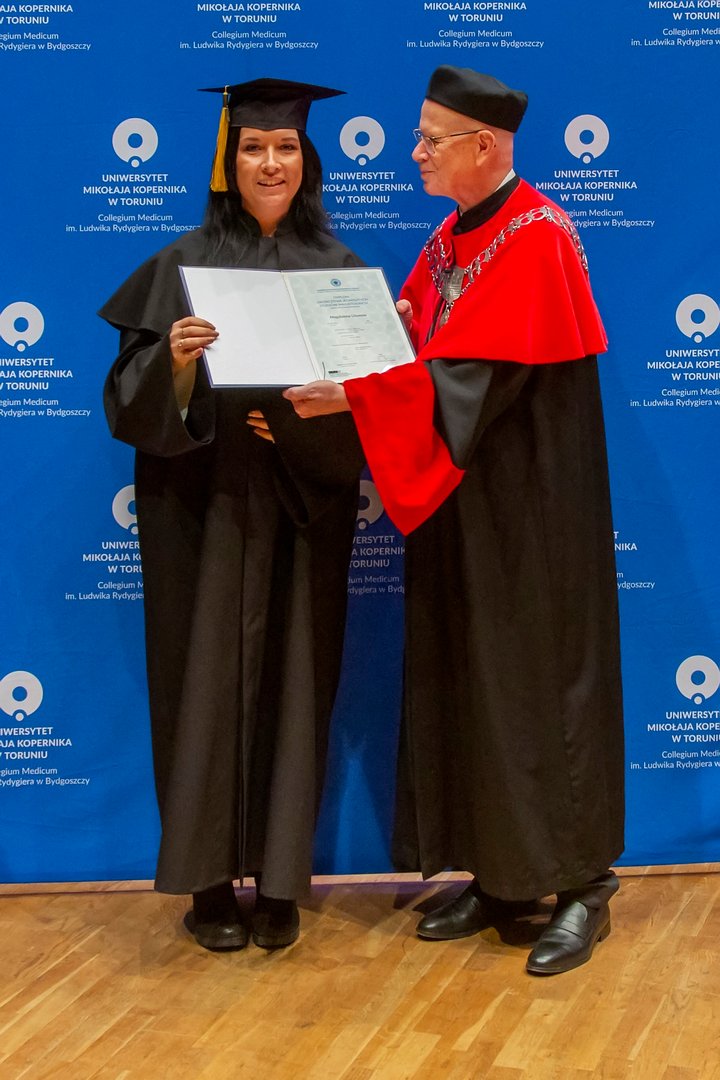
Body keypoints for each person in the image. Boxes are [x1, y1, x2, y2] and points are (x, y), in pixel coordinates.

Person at [284, 66, 625, 976]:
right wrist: (375, 346)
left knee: (540, 686)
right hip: (463, 506)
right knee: (475, 682)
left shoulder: (537, 237)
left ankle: (583, 884)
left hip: (530, 516)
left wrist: (358, 394)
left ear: (485, 144)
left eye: (431, 139)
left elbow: (472, 382)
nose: (416, 153)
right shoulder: (449, 237)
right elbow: (421, 350)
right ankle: (505, 875)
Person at [100, 78, 364, 952]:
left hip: (300, 507)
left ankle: (281, 882)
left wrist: (303, 426)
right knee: (201, 680)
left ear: (306, 160)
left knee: (297, 682)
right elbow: (126, 399)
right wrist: (175, 365)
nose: (270, 163)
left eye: (285, 148)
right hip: (200, 510)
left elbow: (374, 407)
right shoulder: (180, 267)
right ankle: (209, 885)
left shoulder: (339, 272)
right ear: (228, 161)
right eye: (254, 147)